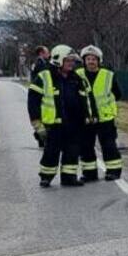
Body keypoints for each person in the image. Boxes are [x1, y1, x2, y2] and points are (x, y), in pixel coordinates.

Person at [28, 44, 90, 187]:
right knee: (51, 152)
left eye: (72, 61)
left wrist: (85, 118)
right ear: (58, 60)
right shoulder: (44, 77)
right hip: (53, 124)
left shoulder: (76, 78)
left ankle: (69, 178)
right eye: (68, 61)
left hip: (73, 123)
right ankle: (46, 177)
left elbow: (83, 100)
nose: (71, 64)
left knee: (72, 152)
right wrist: (37, 123)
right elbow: (33, 102)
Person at [75, 45, 123, 181]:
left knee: (108, 145)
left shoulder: (108, 75)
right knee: (86, 146)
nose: (91, 61)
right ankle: (89, 173)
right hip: (86, 118)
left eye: (94, 59)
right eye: (88, 59)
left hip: (104, 117)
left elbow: (117, 94)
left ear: (99, 60)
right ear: (84, 60)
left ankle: (113, 171)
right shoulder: (77, 75)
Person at [30, 46, 50, 147]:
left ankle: (41, 137)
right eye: (47, 52)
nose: (49, 54)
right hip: (41, 92)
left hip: (39, 92)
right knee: (42, 117)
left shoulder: (38, 63)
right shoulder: (40, 64)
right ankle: (41, 137)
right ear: (41, 53)